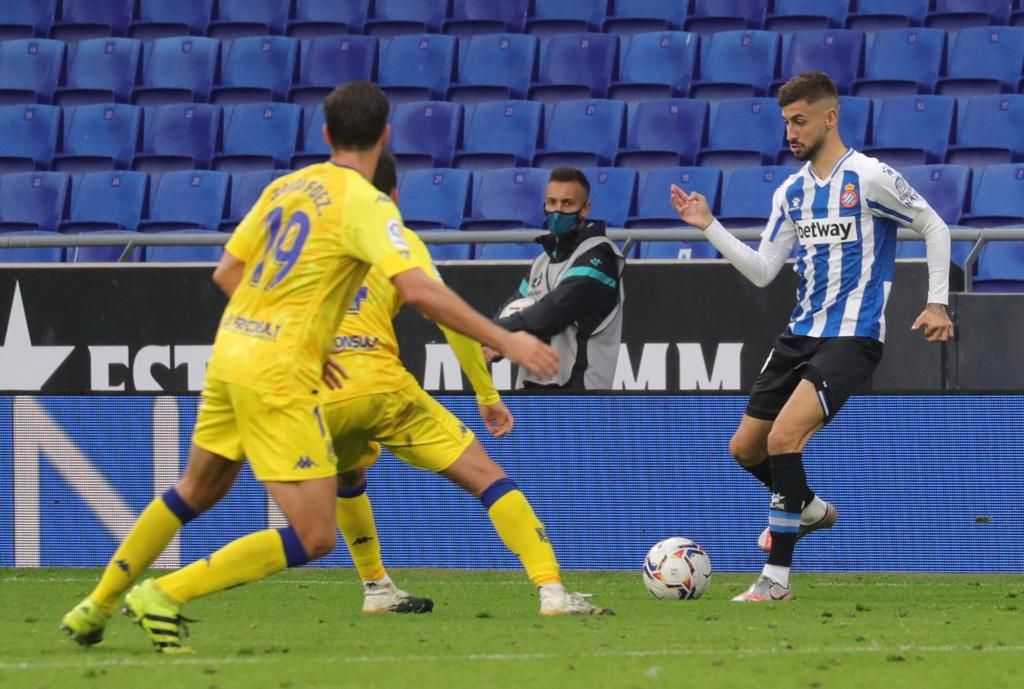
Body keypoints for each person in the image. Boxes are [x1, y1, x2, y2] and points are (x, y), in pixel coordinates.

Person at [60, 81, 559, 653]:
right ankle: (164, 594)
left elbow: (227, 273)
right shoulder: (366, 203)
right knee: (315, 534)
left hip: (231, 354)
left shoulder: (287, 186)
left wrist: (301, 339)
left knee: (195, 488)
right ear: (385, 135)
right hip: (279, 372)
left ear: (325, 133)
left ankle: (95, 605)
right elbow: (420, 291)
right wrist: (508, 341)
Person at [670, 71, 954, 602]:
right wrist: (709, 225)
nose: (791, 133)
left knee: (784, 439)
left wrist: (936, 302)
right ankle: (810, 508)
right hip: (799, 334)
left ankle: (775, 581)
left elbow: (935, 226)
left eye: (800, 121)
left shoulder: (869, 177)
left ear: (830, 117)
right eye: (786, 123)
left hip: (853, 337)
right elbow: (763, 271)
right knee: (745, 448)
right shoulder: (792, 192)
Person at [326, 151, 612, 617]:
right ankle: (553, 592)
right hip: (380, 386)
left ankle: (376, 587)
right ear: (393, 196)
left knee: (348, 477)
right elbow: (449, 318)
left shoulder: (314, 243)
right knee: (486, 476)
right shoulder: (399, 241)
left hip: (323, 392)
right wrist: (486, 394)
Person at [487, 167, 625, 390]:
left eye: (567, 203)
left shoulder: (600, 254)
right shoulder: (541, 261)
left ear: (585, 209)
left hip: (579, 396)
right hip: (530, 392)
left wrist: (488, 332)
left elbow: (553, 312)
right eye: (551, 202)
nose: (557, 211)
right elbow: (512, 308)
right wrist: (494, 343)